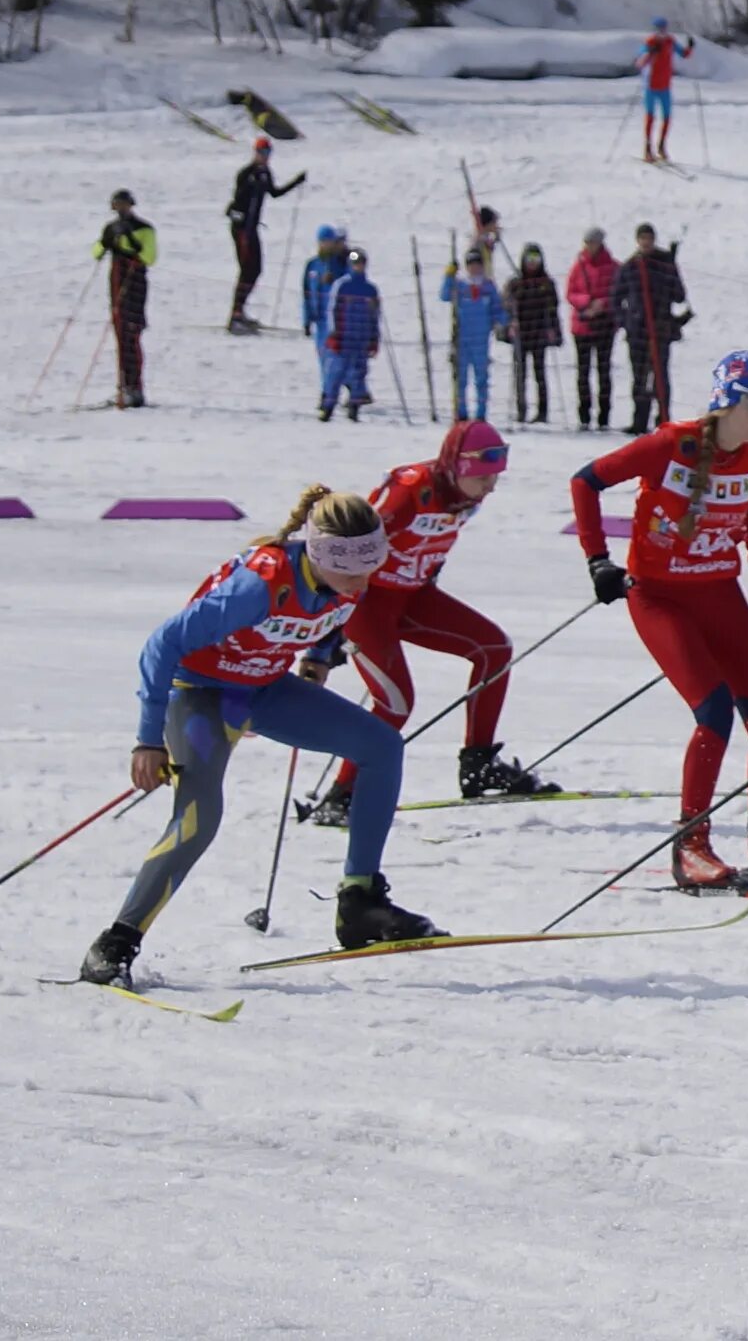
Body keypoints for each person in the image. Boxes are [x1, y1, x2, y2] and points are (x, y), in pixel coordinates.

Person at [76, 487, 438, 987]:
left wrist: (318, 655)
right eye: (351, 571)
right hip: (201, 692)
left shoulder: (345, 574)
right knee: (200, 819)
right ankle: (116, 941)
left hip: (263, 687)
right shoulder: (260, 585)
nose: (362, 581)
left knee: (380, 746)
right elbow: (163, 645)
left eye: (370, 566)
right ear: (318, 554)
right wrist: (148, 740)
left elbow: (333, 611)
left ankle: (360, 902)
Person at [570, 349, 748, 887]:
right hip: (659, 597)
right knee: (713, 712)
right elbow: (586, 482)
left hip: (719, 591)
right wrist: (597, 560)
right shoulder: (671, 445)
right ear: (725, 402)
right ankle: (691, 844)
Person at [308, 422, 556, 821]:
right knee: (396, 703)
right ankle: (341, 795)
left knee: (494, 650)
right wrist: (325, 635)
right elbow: (348, 549)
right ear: (457, 466)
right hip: (367, 603)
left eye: (495, 477)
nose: (491, 486)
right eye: (484, 477)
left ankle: (477, 763)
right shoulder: (411, 488)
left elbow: (431, 543)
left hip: (413, 597)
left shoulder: (466, 495)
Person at [613, 224, 690, 434]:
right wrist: (625, 322)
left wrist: (671, 271)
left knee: (660, 376)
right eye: (642, 238)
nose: (646, 242)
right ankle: (639, 420)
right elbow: (616, 298)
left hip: (660, 329)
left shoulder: (664, 264)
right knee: (639, 377)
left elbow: (679, 295)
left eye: (649, 238)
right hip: (637, 331)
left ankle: (663, 418)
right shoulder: (629, 267)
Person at [225, 137, 306, 332]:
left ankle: (240, 311)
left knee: (256, 269)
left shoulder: (264, 173)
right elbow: (237, 201)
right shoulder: (246, 173)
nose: (265, 157)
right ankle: (235, 315)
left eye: (268, 153)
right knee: (246, 270)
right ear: (255, 153)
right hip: (242, 229)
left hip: (252, 229)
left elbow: (274, 192)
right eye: (262, 153)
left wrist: (296, 182)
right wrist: (250, 185)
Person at [95, 188, 156, 410]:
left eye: (124, 205)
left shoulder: (144, 229)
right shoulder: (111, 228)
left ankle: (135, 388)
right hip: (115, 284)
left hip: (135, 284)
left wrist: (129, 241)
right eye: (117, 205)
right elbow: (96, 252)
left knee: (132, 335)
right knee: (121, 336)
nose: (121, 209)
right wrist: (106, 242)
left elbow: (149, 257)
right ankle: (123, 387)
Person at [440, 246, 508, 423]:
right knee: (461, 377)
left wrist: (506, 321)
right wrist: (448, 276)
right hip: (462, 339)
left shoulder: (488, 286)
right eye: (471, 264)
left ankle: (481, 413)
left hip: (481, 340)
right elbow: (445, 296)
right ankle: (461, 412)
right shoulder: (460, 285)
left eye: (478, 264)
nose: (475, 268)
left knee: (481, 378)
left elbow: (497, 309)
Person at [321, 246, 384, 421]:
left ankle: (354, 407)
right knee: (336, 373)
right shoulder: (342, 285)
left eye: (361, 263)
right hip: (344, 338)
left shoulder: (370, 289)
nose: (359, 266)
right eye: (355, 263)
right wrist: (333, 333)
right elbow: (332, 310)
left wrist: (374, 338)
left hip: (361, 338)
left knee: (359, 374)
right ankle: (328, 407)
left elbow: (375, 316)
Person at [566, 227, 619, 430]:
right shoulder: (578, 266)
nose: (589, 246)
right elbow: (571, 292)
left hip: (605, 325)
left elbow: (617, 292)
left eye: (593, 242)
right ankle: (584, 414)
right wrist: (587, 302)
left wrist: (602, 304)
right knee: (583, 371)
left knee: (604, 370)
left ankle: (604, 415)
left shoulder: (612, 266)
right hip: (582, 326)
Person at [506, 244, 563, 425]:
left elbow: (553, 309)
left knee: (540, 373)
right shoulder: (516, 283)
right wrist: (509, 325)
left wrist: (554, 330)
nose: (532, 264)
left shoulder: (546, 283)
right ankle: (521, 409)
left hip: (539, 333)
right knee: (520, 373)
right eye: (529, 260)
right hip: (521, 334)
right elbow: (506, 306)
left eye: (535, 260)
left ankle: (543, 411)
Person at [638, 16, 696, 163]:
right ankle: (648, 148)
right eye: (659, 29)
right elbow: (640, 62)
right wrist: (651, 52)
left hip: (665, 86)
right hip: (651, 86)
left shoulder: (670, 41)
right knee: (650, 117)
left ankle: (662, 145)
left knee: (667, 116)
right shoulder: (650, 42)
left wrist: (690, 47)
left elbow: (684, 54)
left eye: (664, 28)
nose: (662, 32)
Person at [302, 224, 350, 399]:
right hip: (319, 320)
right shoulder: (313, 265)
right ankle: (327, 391)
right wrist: (306, 319)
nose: (326, 245)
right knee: (323, 358)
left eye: (329, 241)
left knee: (337, 358)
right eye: (323, 241)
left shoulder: (341, 265)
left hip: (337, 320)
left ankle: (342, 389)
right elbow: (306, 294)